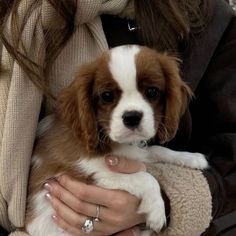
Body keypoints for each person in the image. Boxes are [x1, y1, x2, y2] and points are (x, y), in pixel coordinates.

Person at [0, 0, 235, 235]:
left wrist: (173, 197)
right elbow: (108, 170)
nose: (131, 110)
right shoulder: (11, 16)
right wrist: (148, 188)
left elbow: (130, 158)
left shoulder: (208, 14)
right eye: (108, 96)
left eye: (151, 93)